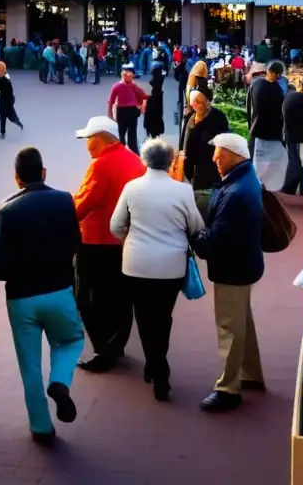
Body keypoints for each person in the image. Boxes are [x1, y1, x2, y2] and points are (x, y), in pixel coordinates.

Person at [0, 148, 83, 443]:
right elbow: (75, 243)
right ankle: (60, 382)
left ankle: (41, 426)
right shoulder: (64, 200)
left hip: (21, 299)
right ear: (44, 172)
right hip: (59, 290)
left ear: (16, 179)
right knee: (71, 340)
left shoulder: (6, 210)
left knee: (29, 365)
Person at [110, 139, 205, 402]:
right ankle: (158, 365)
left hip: (136, 264)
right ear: (170, 161)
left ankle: (156, 365)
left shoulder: (132, 188)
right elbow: (197, 227)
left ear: (144, 160)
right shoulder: (183, 191)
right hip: (170, 266)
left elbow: (115, 226)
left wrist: (129, 235)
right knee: (163, 318)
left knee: (143, 317)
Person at [191, 133, 265, 413]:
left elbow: (215, 241)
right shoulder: (246, 179)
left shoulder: (235, 193)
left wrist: (195, 236)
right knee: (241, 320)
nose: (214, 160)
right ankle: (250, 373)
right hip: (245, 264)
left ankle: (228, 389)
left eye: (219, 156)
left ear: (236, 157)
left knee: (229, 328)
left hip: (232, 268)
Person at [73, 116, 146, 373]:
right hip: (124, 240)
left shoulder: (101, 165)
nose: (86, 144)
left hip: (96, 240)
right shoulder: (134, 159)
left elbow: (84, 203)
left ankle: (104, 348)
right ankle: (117, 344)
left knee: (88, 297)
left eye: (88, 139)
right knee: (120, 297)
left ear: (100, 138)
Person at [246, 60, 287, 190]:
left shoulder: (258, 84)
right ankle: (257, 185)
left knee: (258, 161)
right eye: (277, 74)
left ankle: (257, 184)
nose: (278, 77)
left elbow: (250, 106)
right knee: (260, 161)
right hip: (265, 130)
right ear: (271, 72)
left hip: (260, 129)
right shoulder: (272, 88)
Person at [180, 89, 230, 190]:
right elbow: (184, 143)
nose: (207, 105)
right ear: (193, 105)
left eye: (206, 101)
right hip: (195, 170)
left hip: (213, 168)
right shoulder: (190, 119)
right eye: (201, 103)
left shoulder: (219, 117)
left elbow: (225, 141)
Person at [107, 65, 149, 154]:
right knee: (122, 135)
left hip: (131, 112)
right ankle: (124, 153)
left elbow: (144, 96)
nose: (129, 78)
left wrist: (143, 106)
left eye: (131, 76)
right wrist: (110, 113)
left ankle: (131, 154)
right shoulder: (117, 86)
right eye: (127, 76)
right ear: (123, 76)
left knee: (131, 136)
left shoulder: (133, 86)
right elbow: (111, 101)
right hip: (122, 112)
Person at [0, 61, 23, 139]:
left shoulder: (4, 80)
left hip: (6, 101)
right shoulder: (2, 78)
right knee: (5, 115)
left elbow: (3, 90)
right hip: (6, 100)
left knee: (8, 115)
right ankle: (4, 132)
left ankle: (18, 123)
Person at [143, 65, 165, 139]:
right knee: (157, 120)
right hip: (158, 105)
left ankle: (151, 136)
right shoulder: (160, 80)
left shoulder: (152, 82)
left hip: (151, 105)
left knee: (150, 122)